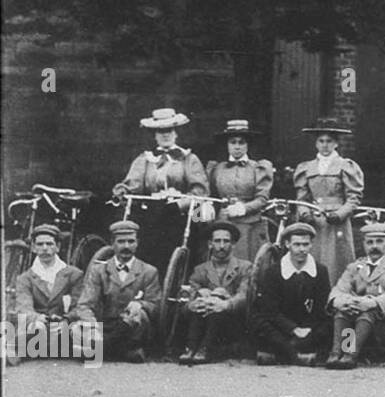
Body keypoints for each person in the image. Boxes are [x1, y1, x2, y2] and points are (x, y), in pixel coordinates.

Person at [113, 108, 210, 272]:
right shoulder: (145, 159)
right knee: (148, 252)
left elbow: (200, 191)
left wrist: (179, 204)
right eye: (161, 131)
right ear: (155, 135)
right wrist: (123, 191)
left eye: (169, 130)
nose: (165, 135)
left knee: (182, 251)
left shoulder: (189, 159)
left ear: (176, 133)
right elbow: (133, 186)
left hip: (180, 216)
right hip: (152, 216)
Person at [75, 220, 160, 363]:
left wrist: (141, 305)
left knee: (137, 313)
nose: (126, 246)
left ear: (137, 243)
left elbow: (156, 305)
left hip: (134, 329)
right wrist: (92, 327)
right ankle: (118, 350)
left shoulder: (149, 271)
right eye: (121, 242)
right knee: (78, 327)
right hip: (104, 326)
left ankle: (102, 349)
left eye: (131, 241)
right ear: (112, 243)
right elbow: (85, 304)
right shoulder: (99, 271)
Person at [325, 221, 385, 370]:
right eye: (370, 242)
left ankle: (350, 354)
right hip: (354, 317)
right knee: (343, 311)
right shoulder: (354, 267)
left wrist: (372, 303)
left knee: (367, 313)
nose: (374, 246)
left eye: (379, 241)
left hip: (383, 324)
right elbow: (338, 290)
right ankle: (337, 352)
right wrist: (345, 302)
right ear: (364, 245)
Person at [249, 222, 332, 366]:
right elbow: (270, 310)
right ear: (287, 244)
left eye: (305, 244)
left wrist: (306, 329)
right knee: (259, 322)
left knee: (330, 324)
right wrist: (293, 329)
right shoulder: (274, 271)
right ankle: (297, 354)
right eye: (297, 244)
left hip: (307, 326)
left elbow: (321, 307)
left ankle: (280, 353)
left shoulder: (320, 271)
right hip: (281, 325)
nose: (302, 249)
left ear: (311, 244)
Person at [293, 119, 363, 284]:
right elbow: (302, 197)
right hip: (314, 222)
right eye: (321, 141)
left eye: (329, 141)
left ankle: (337, 294)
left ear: (336, 143)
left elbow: (354, 198)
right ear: (316, 143)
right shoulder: (306, 167)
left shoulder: (346, 166)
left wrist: (339, 214)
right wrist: (305, 213)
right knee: (313, 258)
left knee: (335, 261)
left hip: (336, 223)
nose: (325, 145)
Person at [8, 224, 85, 365]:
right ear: (33, 247)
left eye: (49, 244)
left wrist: (66, 318)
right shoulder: (25, 278)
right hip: (39, 326)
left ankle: (30, 349)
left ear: (58, 247)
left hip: (64, 325)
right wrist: (37, 317)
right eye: (40, 244)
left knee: (80, 330)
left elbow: (80, 306)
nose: (44, 248)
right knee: (32, 327)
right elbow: (23, 307)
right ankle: (40, 348)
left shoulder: (74, 274)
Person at [178, 221, 253, 365]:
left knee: (217, 300)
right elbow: (190, 294)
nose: (222, 246)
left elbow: (244, 295)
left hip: (231, 321)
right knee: (203, 302)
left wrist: (226, 304)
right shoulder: (200, 270)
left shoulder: (245, 267)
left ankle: (205, 349)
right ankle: (191, 348)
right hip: (201, 320)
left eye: (226, 241)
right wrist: (195, 303)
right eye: (217, 241)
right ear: (210, 244)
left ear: (233, 245)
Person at [205, 119, 275, 265]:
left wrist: (244, 208)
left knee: (246, 265)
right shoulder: (216, 168)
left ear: (248, 144)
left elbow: (262, 198)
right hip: (223, 224)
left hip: (249, 225)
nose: (237, 146)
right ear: (227, 145)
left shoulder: (259, 168)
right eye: (233, 142)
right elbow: (209, 195)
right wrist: (206, 207)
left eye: (241, 142)